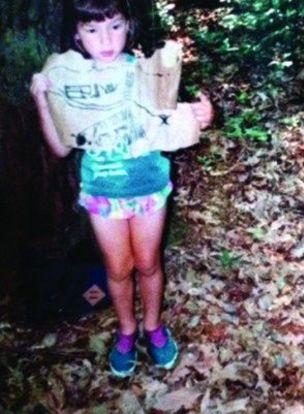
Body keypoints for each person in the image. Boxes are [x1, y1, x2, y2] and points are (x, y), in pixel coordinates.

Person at [29, 0, 214, 378]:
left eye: (114, 26)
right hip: (102, 193)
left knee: (147, 263)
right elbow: (60, 148)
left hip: (148, 186)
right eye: (92, 30)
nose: (106, 39)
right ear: (77, 35)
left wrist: (202, 117)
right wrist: (42, 102)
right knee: (117, 269)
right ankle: (127, 331)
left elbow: (176, 121)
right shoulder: (69, 80)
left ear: (128, 25)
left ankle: (153, 327)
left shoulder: (147, 71)